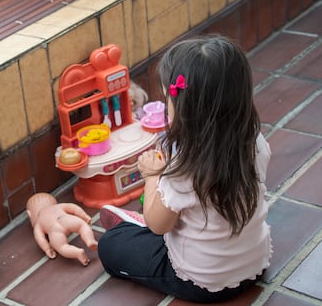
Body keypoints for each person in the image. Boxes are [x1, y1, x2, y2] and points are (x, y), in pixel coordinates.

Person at [98, 35, 272, 303]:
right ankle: (140, 223)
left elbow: (159, 226)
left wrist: (153, 175)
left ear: (185, 109)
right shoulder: (254, 141)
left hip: (201, 281)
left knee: (110, 245)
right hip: (253, 266)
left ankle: (134, 225)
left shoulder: (185, 166)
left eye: (168, 98)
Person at [27, 193, 98, 266]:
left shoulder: (38, 223)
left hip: (53, 230)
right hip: (64, 219)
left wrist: (47, 249)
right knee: (83, 226)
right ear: (54, 202)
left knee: (62, 247)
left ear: (30, 214)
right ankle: (90, 240)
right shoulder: (58, 206)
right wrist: (84, 216)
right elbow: (73, 207)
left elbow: (40, 238)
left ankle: (77, 252)